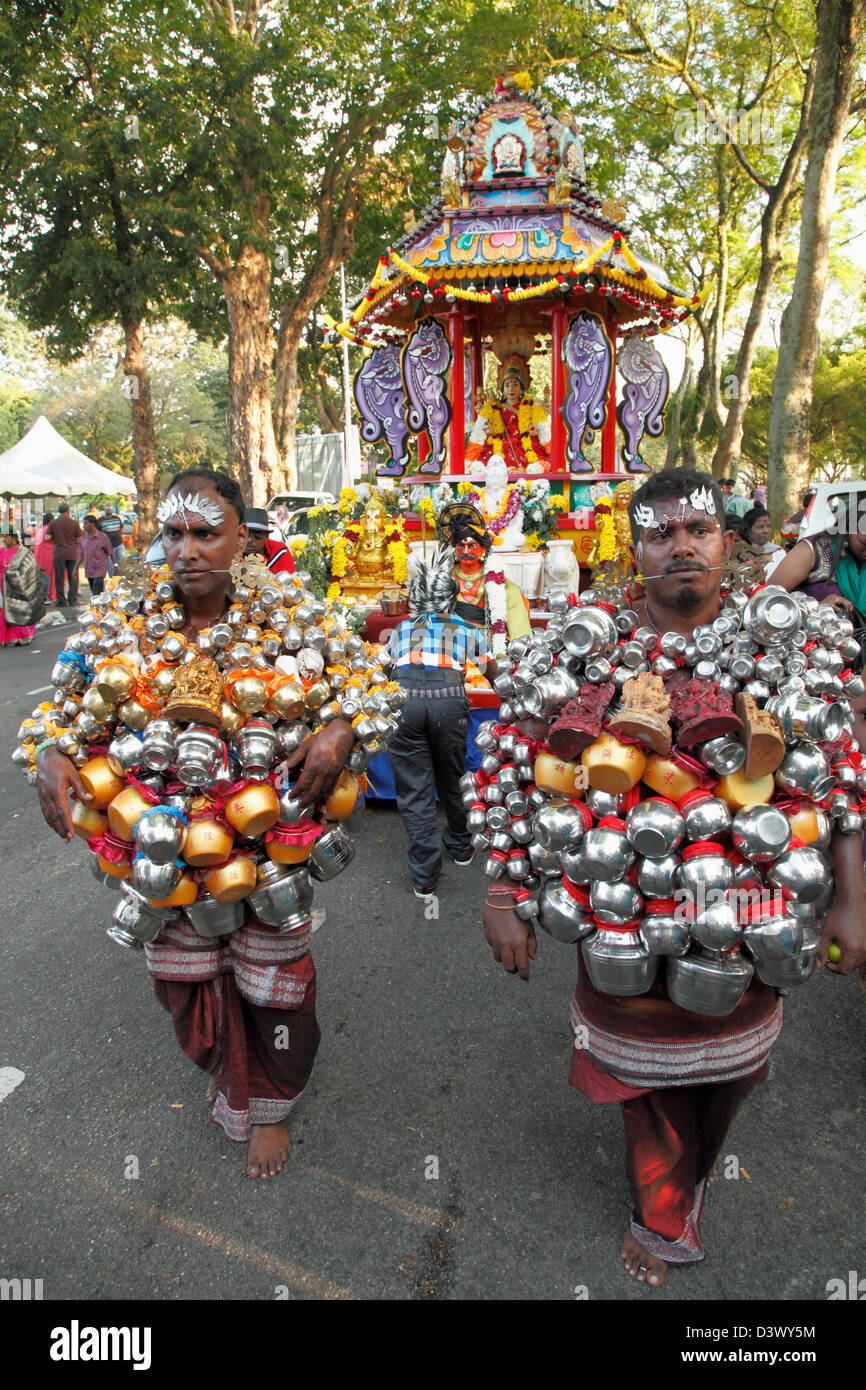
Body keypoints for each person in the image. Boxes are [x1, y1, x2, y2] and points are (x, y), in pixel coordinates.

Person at [479, 466, 866, 1288]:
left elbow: (844, 775)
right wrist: (502, 892)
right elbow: (513, 770)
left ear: (728, 541)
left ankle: (690, 1179)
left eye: (697, 530)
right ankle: (660, 1217)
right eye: (661, 534)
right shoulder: (579, 652)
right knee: (647, 1083)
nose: (681, 547)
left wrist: (853, 901)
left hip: (755, 911)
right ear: (636, 548)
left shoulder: (794, 641)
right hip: (618, 908)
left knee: (730, 1073)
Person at [34, 467, 359, 1180]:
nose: (187, 550)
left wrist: (338, 728)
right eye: (174, 534)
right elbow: (60, 705)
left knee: (277, 983)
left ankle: (269, 1105)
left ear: (243, 536)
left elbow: (367, 685)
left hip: (269, 843)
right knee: (189, 986)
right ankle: (235, 1085)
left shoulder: (291, 612)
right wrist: (49, 752)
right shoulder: (123, 612)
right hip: (163, 846)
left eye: (207, 533)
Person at [387, 559, 497, 897]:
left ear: (416, 599)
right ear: (451, 598)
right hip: (450, 703)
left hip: (405, 705)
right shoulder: (466, 629)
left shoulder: (401, 630)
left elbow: (387, 672)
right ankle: (461, 846)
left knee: (415, 790)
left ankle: (425, 876)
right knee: (453, 775)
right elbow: (491, 672)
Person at [438, 502, 530, 655]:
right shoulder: (445, 578)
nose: (466, 551)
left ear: (484, 548)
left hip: (486, 647)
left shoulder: (497, 581)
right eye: (460, 546)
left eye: (472, 546)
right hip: (452, 645)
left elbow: (517, 619)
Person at [771, 514, 866, 625]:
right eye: (864, 542)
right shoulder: (813, 550)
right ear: (848, 529)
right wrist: (817, 607)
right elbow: (768, 598)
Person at [0, 532, 37, 646]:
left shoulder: (22, 552)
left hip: (18, 585)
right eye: (3, 537)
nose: (4, 540)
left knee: (18, 609)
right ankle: (9, 636)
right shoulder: (1, 551)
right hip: (4, 585)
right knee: (6, 610)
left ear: (14, 539)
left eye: (6, 537)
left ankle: (24, 635)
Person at [47, 502, 83, 607]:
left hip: (59, 553)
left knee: (59, 578)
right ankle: (73, 599)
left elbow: (47, 537)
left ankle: (61, 600)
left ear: (59, 511)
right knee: (73, 577)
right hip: (72, 553)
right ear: (68, 511)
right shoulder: (74, 523)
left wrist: (56, 539)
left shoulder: (53, 523)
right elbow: (79, 538)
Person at [244, 506, 295, 575]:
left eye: (257, 536)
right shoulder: (231, 552)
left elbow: (289, 582)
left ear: (267, 536)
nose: (249, 540)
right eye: (244, 535)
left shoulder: (279, 552)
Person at [741, 506, 786, 577]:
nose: (766, 531)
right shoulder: (741, 554)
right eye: (760, 527)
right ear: (748, 530)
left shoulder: (779, 553)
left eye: (768, 526)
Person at [79, 514, 116, 597]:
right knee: (94, 591)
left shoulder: (103, 537)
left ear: (92, 524)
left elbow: (111, 552)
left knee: (97, 592)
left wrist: (115, 566)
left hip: (99, 569)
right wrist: (75, 568)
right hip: (89, 570)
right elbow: (81, 554)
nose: (83, 526)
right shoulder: (84, 538)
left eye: (86, 523)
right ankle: (99, 605)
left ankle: (97, 607)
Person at [34, 512, 56, 603]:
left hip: (38, 554)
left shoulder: (40, 529)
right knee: (50, 575)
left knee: (41, 575)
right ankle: (51, 595)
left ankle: (42, 595)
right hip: (48, 554)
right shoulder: (50, 529)